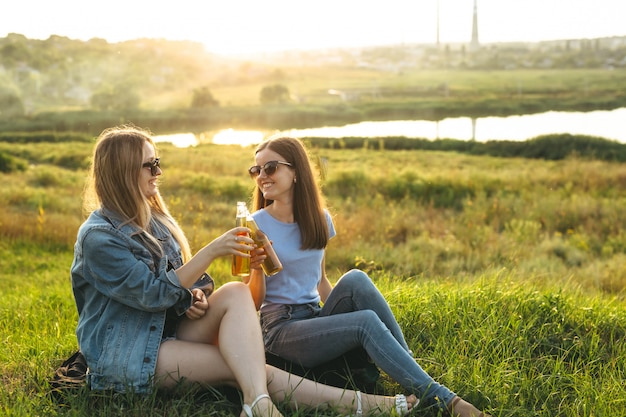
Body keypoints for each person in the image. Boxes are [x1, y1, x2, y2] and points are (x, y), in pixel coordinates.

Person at [70, 125, 418, 417]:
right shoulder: (99, 237)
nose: (158, 172)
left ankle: (257, 402)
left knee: (235, 295)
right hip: (131, 349)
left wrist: (195, 297)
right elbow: (151, 292)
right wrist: (212, 251)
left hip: (168, 327)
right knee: (249, 368)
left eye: (157, 163)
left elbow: (195, 284)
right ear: (123, 171)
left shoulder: (155, 220)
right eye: (150, 165)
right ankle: (371, 406)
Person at [245, 136, 492, 417]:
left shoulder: (320, 218)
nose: (262, 176)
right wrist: (256, 268)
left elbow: (321, 281)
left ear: (297, 171)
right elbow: (251, 301)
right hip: (280, 329)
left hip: (312, 316)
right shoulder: (255, 226)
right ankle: (446, 401)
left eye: (271, 167)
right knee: (364, 323)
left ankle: (407, 366)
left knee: (356, 279)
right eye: (256, 170)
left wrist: (333, 322)